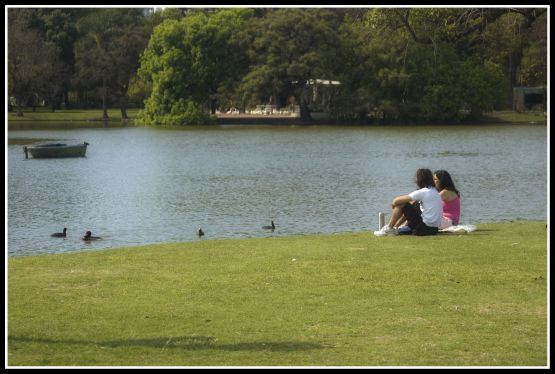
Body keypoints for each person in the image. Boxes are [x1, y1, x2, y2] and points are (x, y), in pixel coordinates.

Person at [374, 168, 443, 236]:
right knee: (413, 204)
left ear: (419, 180)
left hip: (423, 229)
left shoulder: (423, 191)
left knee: (402, 204)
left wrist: (394, 204)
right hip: (434, 230)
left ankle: (388, 229)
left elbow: (396, 201)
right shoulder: (434, 191)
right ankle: (395, 227)